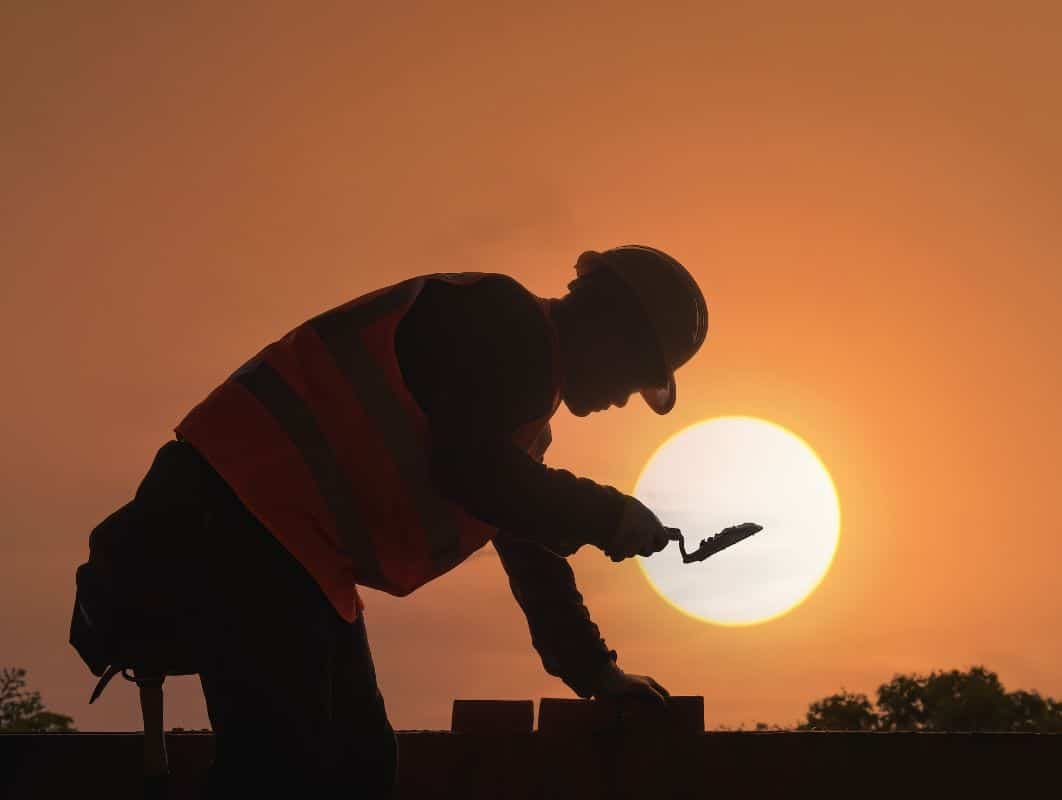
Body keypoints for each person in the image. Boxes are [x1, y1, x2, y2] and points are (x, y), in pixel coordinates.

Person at [80, 244, 707, 797]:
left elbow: (525, 538)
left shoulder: (518, 403)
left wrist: (597, 671)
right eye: (634, 375)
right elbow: (476, 475)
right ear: (609, 328)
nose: (623, 397)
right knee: (280, 772)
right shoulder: (500, 323)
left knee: (358, 767)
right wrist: (608, 513)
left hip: (290, 546)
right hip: (236, 515)